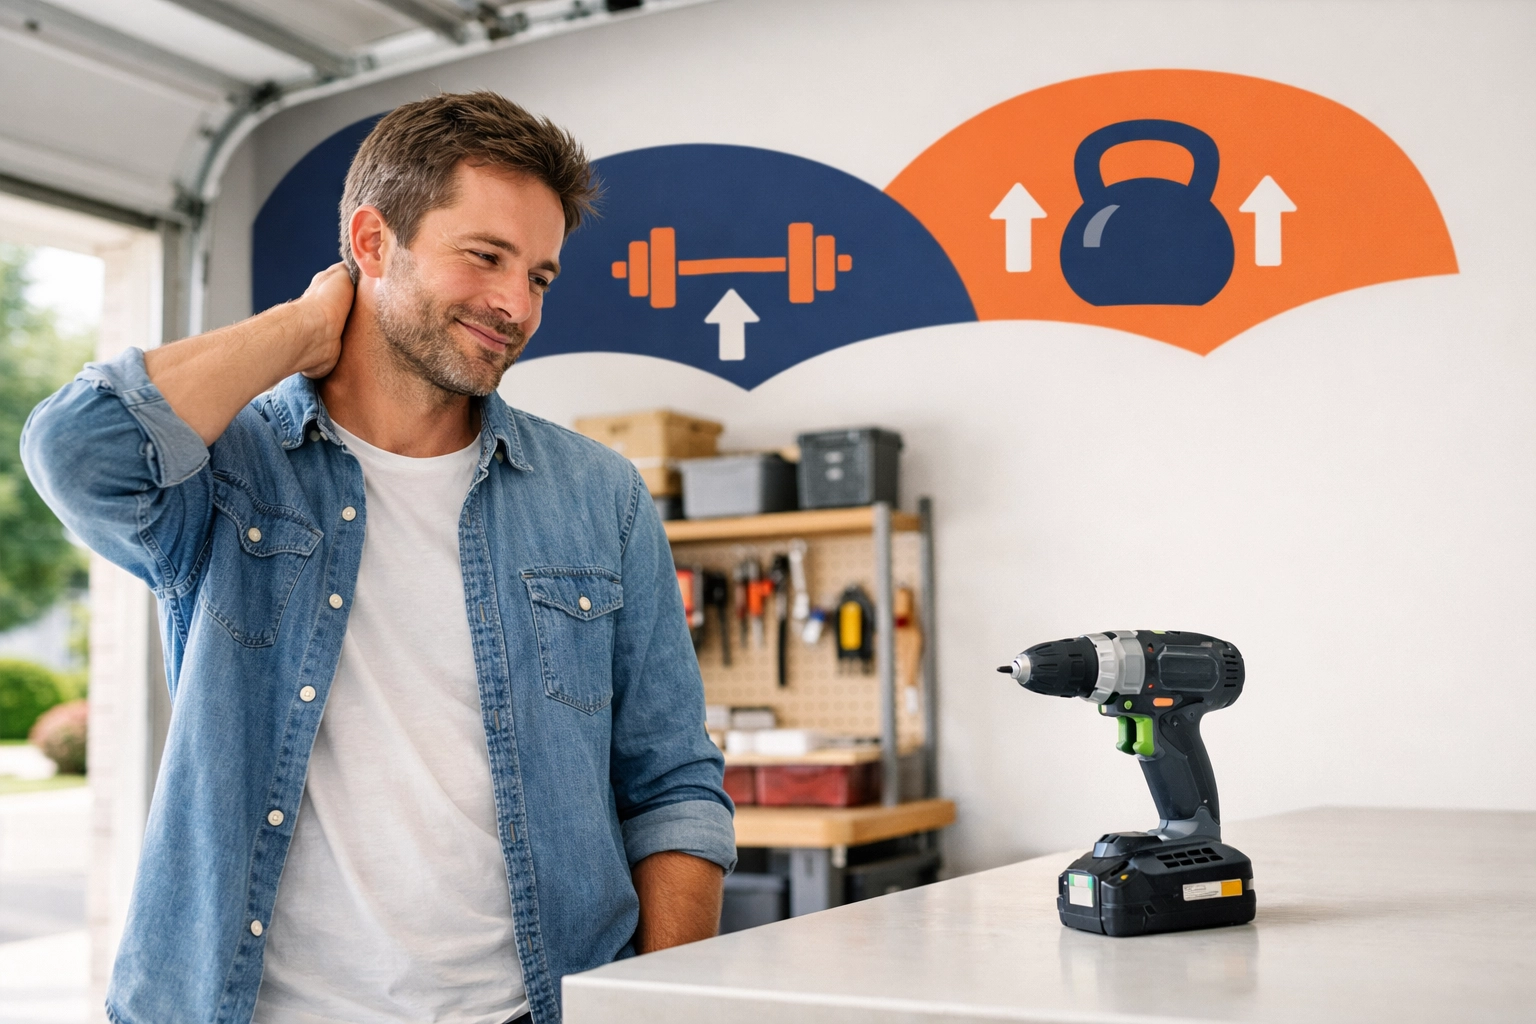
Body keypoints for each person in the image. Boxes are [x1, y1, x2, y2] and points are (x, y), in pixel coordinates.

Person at [22, 92, 735, 1024]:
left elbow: (673, 785)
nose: (517, 305)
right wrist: (300, 329)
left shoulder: (599, 495)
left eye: (540, 276)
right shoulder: (231, 473)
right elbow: (76, 451)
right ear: (372, 242)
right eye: (485, 256)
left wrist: (661, 1010)